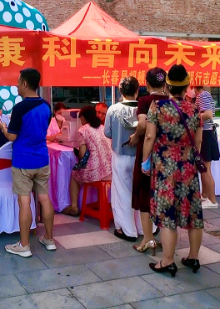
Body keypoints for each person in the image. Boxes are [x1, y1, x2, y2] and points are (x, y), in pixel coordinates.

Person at [142, 64, 203, 277]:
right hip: (188, 167)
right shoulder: (194, 109)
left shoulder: (157, 107)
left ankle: (168, 260)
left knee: (167, 213)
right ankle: (193, 257)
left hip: (164, 167)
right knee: (193, 211)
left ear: (167, 86)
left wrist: (145, 161)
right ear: (187, 86)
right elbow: (198, 140)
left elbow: (149, 136)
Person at [0, 68, 56, 257]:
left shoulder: (20, 108)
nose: (16, 85)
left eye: (18, 81)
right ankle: (49, 239)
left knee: (24, 202)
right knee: (44, 198)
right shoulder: (46, 106)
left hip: (23, 160)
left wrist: (3, 128)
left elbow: (12, 136)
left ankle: (24, 245)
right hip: (42, 158)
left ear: (25, 83)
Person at [128, 67, 168, 254]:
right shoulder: (170, 101)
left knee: (145, 193)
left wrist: (136, 136)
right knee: (164, 195)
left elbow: (143, 125)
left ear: (147, 83)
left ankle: (148, 238)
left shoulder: (145, 101)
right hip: (167, 153)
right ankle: (166, 238)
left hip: (149, 151)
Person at [104, 76, 141, 241]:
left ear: (120, 91)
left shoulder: (113, 109)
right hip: (140, 156)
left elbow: (107, 133)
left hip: (120, 155)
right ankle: (143, 228)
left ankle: (128, 230)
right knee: (140, 191)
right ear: (137, 90)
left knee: (122, 192)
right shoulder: (143, 109)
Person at [60, 106, 112, 217]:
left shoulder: (83, 130)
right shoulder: (103, 128)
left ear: (83, 118)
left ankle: (74, 207)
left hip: (95, 172)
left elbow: (82, 154)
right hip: (110, 171)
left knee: (74, 175)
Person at [193, 86, 219, 209]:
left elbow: (208, 114)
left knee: (205, 169)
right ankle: (204, 195)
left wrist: (191, 116)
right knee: (203, 168)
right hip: (207, 133)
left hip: (205, 133)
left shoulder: (202, 95)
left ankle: (212, 200)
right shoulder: (201, 95)